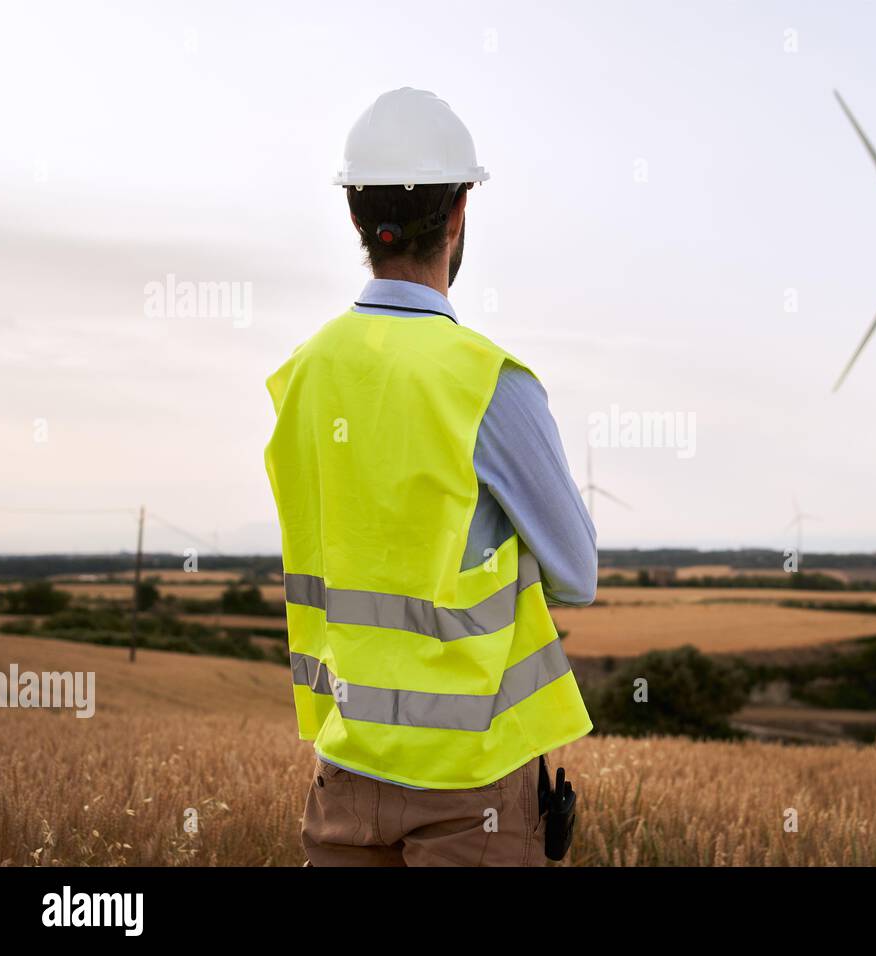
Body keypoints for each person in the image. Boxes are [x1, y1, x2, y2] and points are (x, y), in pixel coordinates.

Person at [263, 88, 595, 866]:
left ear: (355, 219)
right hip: (471, 782)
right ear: (457, 216)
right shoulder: (488, 382)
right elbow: (576, 573)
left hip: (345, 771)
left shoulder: (301, 378)